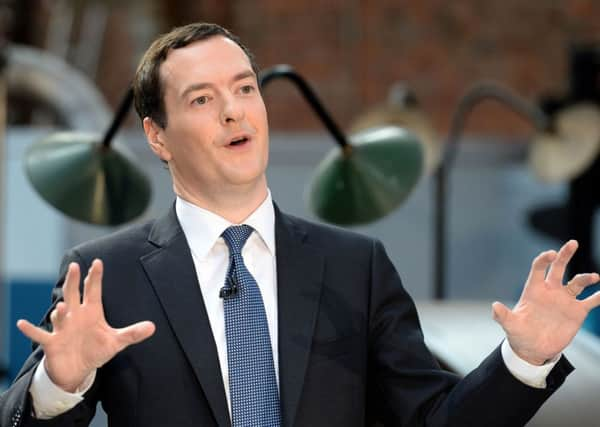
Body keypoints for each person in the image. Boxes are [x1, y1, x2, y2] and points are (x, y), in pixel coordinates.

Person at [1, 22, 599, 427]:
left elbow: (436, 420)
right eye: (202, 100)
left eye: (244, 89)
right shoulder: (109, 275)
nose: (234, 109)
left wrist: (524, 360)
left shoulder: (355, 267)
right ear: (158, 136)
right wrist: (61, 381)